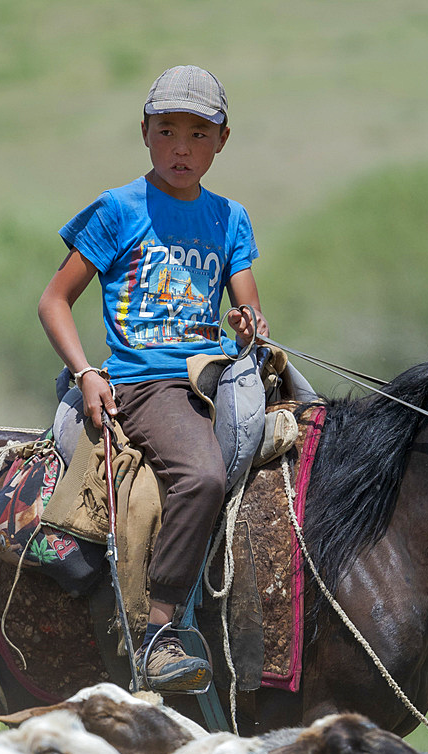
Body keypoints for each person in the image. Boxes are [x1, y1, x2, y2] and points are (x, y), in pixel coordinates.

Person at [38, 64, 269, 694]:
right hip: (149, 384)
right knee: (201, 476)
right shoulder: (117, 210)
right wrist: (87, 371)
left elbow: (248, 311)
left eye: (199, 134)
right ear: (144, 133)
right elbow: (53, 300)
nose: (182, 148)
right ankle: (158, 631)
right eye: (167, 132)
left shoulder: (231, 219)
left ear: (222, 142)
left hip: (216, 376)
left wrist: (248, 326)